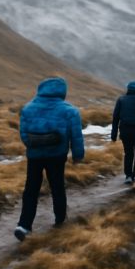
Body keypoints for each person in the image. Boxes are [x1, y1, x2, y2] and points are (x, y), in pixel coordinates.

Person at [14, 77, 84, 242]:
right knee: (57, 186)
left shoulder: (28, 108)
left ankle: (24, 225)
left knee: (31, 189)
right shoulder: (69, 110)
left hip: (34, 156)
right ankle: (60, 219)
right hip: (57, 155)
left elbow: (23, 132)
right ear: (62, 91)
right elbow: (76, 136)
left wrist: (31, 145)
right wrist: (78, 155)